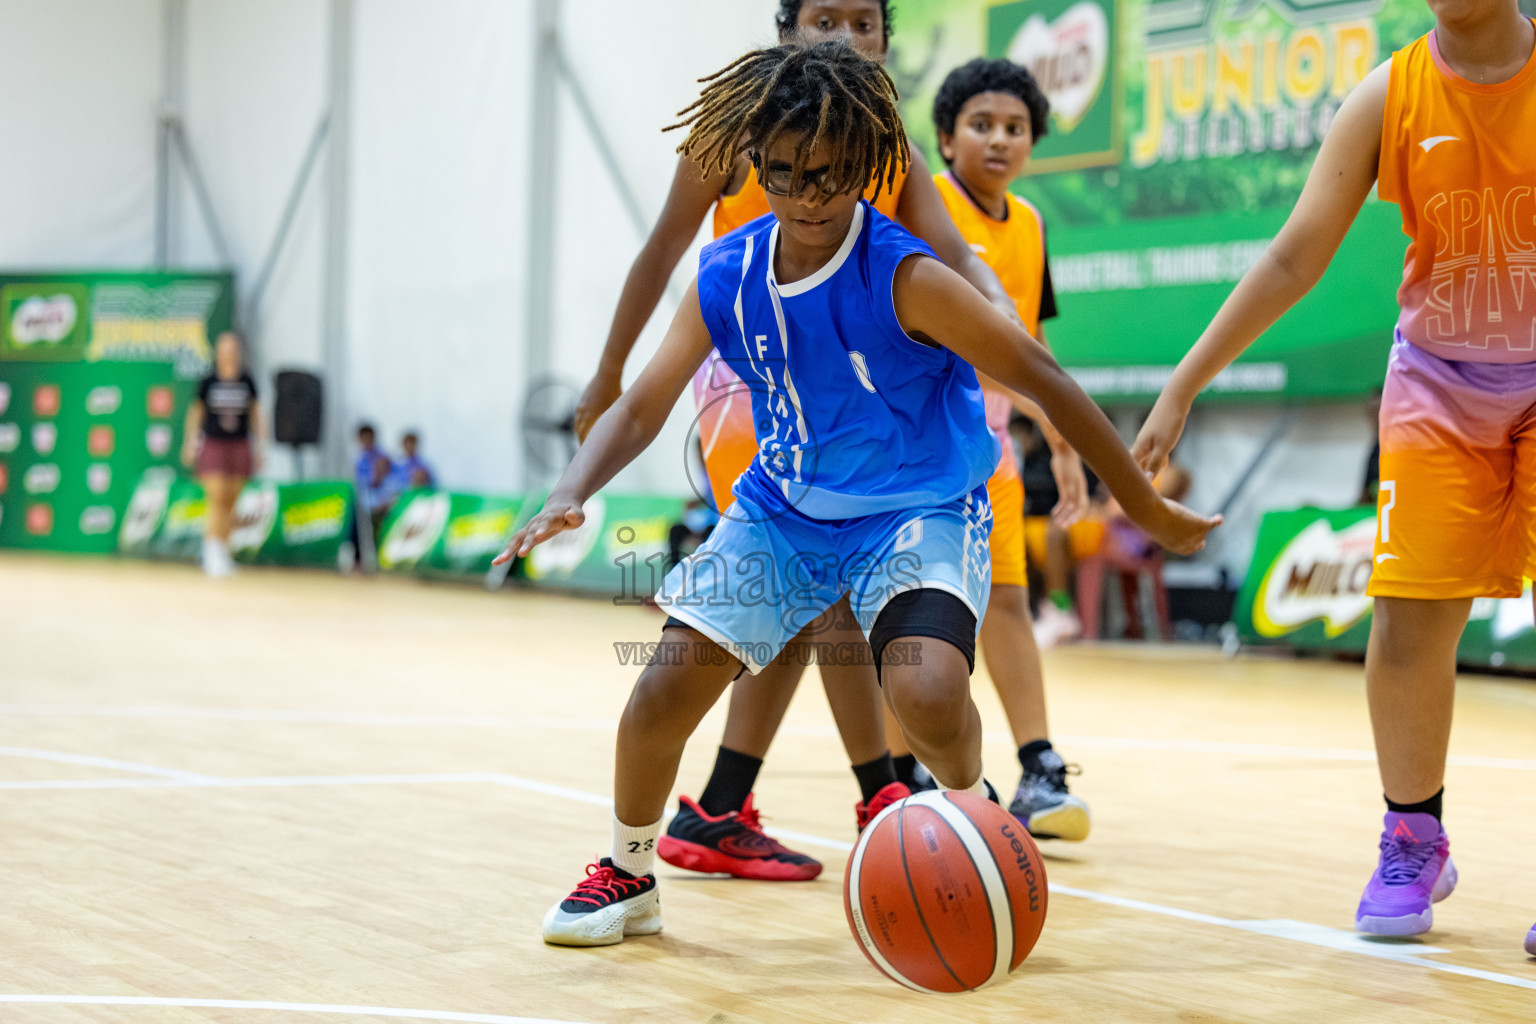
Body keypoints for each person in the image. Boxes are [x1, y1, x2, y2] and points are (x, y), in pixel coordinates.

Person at [505, 41, 1217, 946]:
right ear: (755, 164)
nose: (806, 197)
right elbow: (643, 406)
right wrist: (569, 492)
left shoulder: (906, 274)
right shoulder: (727, 274)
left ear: (866, 168)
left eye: (830, 176)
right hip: (783, 509)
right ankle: (631, 871)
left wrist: (1142, 503)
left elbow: (1041, 373)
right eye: (786, 174)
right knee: (660, 692)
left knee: (924, 691)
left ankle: (972, 807)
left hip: (918, 506)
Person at [574, 0, 1054, 884]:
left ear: (883, 40)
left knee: (817, 598)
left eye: (861, 23)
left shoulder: (887, 144)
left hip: (868, 387)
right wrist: (609, 376)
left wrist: (990, 301)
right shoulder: (732, 132)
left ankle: (736, 799)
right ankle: (872, 789)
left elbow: (950, 252)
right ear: (785, 30)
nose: (842, 39)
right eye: (821, 20)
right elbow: (659, 254)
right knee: (806, 585)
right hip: (752, 375)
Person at [1131, 0, 1534, 947]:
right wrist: (1185, 384)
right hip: (1440, 381)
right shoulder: (1389, 94)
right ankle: (1412, 837)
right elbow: (1292, 253)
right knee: (1405, 618)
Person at [882, 56, 1093, 840]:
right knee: (911, 615)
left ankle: (1038, 765)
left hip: (997, 446)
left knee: (1009, 598)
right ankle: (904, 772)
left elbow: (1030, 341)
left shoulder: (1031, 225)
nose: (1000, 140)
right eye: (982, 125)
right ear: (946, 136)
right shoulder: (924, 201)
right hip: (921, 443)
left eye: (1015, 128)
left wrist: (1060, 442)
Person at [181, 331, 263, 577]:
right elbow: (196, 413)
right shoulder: (209, 381)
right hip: (214, 444)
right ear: (218, 352)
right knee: (216, 497)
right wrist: (190, 442)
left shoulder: (247, 381)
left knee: (231, 501)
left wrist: (259, 446)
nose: (229, 353)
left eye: (233, 349)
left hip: (238, 445)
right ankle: (210, 552)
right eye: (224, 349)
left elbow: (257, 413)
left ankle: (224, 552)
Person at [353, 424, 396, 542]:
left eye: (370, 438)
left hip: (383, 498)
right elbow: (361, 485)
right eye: (364, 438)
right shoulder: (356, 459)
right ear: (360, 439)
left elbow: (394, 479)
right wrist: (374, 477)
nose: (367, 441)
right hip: (366, 500)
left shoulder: (384, 456)